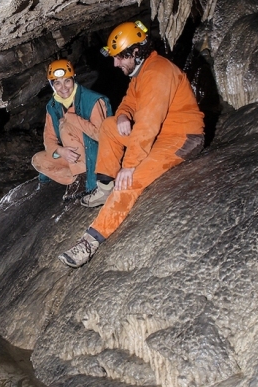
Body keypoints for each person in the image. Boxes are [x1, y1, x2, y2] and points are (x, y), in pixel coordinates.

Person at [59, 21, 205, 268]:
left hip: (181, 138)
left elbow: (147, 126)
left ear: (136, 52)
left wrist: (130, 165)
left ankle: (90, 241)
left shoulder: (158, 73)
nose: (116, 64)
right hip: (160, 133)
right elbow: (129, 101)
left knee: (131, 180)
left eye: (119, 58)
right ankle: (105, 186)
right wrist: (124, 114)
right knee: (110, 125)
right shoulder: (141, 72)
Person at [31, 59, 113, 202]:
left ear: (73, 79)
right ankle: (77, 178)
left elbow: (101, 136)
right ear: (52, 85)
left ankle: (84, 176)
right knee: (37, 160)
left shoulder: (92, 100)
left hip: (97, 153)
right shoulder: (53, 106)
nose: (63, 87)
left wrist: (72, 118)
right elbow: (49, 140)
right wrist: (60, 151)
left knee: (65, 126)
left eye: (67, 81)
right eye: (57, 83)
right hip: (76, 156)